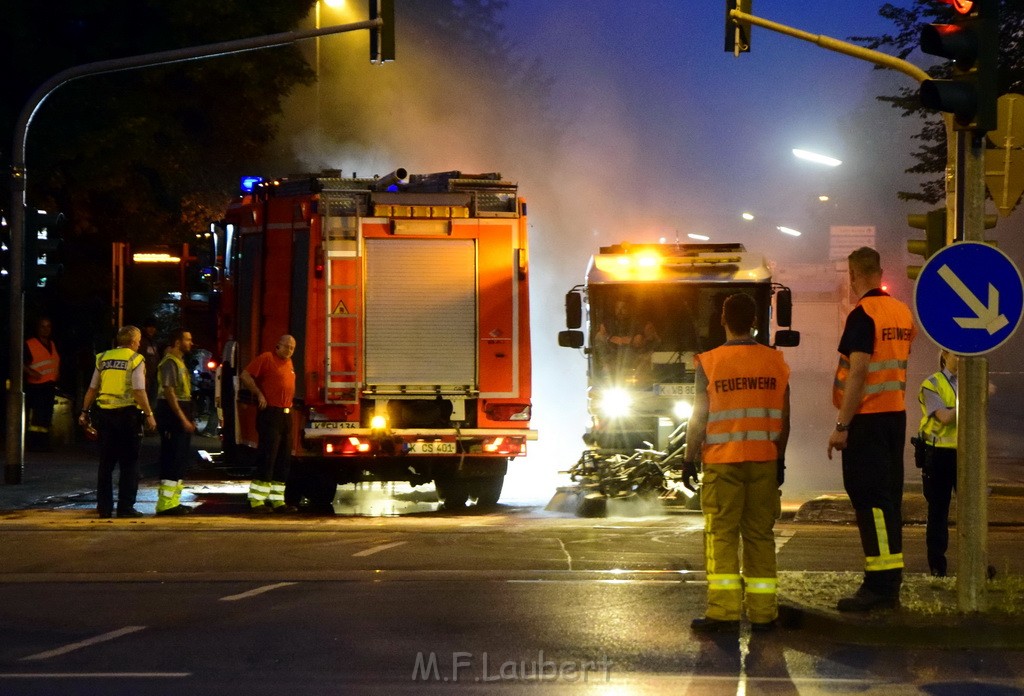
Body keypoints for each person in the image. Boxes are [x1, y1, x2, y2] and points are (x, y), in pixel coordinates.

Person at [684, 293, 791, 634]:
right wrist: (780, 458)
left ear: (723, 321)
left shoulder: (710, 362)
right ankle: (763, 614)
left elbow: (699, 416)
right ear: (756, 322)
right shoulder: (776, 362)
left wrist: (689, 457)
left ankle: (724, 612)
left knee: (722, 535)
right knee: (760, 536)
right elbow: (785, 419)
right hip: (763, 462)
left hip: (723, 463)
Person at [828, 247, 916, 612]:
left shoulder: (862, 315)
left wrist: (842, 425)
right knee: (887, 501)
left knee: (870, 503)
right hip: (894, 416)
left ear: (853, 274)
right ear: (880, 272)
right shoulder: (900, 311)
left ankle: (879, 586)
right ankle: (888, 581)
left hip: (867, 421)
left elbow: (860, 372)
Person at [79, 325, 157, 519]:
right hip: (128, 417)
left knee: (106, 464)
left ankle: (104, 508)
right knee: (129, 464)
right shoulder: (136, 359)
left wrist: (84, 412)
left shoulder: (103, 358)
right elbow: (139, 390)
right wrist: (149, 414)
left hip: (104, 417)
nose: (139, 344)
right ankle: (125, 508)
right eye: (138, 341)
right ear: (132, 342)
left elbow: (92, 388)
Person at [240, 335, 298, 513]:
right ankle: (256, 501)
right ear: (277, 346)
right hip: (270, 413)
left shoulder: (289, 363)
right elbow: (245, 375)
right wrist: (258, 393)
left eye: (292, 348)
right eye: (286, 346)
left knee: (283, 459)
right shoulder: (267, 358)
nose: (289, 350)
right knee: (268, 456)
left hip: (285, 414)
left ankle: (277, 501)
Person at [916, 349, 958, 577]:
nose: (962, 360)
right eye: (958, 355)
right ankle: (937, 566)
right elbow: (945, 417)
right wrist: (974, 395)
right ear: (944, 356)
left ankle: (977, 564)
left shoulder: (969, 381)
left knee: (973, 512)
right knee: (938, 511)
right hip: (939, 455)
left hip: (965, 455)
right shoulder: (932, 384)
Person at [154, 328, 197, 516]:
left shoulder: (179, 362)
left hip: (179, 414)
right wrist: (182, 418)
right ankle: (166, 505)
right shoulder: (170, 362)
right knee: (172, 459)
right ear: (177, 342)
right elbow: (170, 392)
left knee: (179, 459)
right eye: (187, 340)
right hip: (172, 416)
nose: (191, 343)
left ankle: (173, 502)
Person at [24, 316, 60, 450]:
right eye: (43, 326)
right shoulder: (30, 344)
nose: (46, 329)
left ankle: (43, 443)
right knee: (37, 416)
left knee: (46, 415)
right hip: (36, 385)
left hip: (49, 385)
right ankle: (34, 443)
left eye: (48, 326)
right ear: (37, 328)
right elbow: (19, 361)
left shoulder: (52, 344)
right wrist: (31, 372)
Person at [139, 317, 161, 404]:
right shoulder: (141, 341)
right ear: (145, 328)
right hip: (144, 378)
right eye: (150, 327)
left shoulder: (153, 342)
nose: (152, 329)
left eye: (154, 327)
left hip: (153, 378)